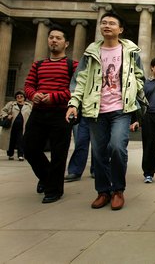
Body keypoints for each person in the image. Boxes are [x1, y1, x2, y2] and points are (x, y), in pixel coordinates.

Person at [66, 12, 145, 211]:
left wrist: (138, 96)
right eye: (104, 23)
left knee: (118, 147)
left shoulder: (131, 51)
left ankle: (118, 190)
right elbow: (81, 79)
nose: (107, 26)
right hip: (96, 109)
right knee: (99, 152)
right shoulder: (91, 52)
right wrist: (74, 103)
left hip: (121, 108)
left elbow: (139, 76)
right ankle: (103, 191)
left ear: (121, 29)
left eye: (112, 23)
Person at [24, 24, 78, 203]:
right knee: (29, 149)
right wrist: (34, 95)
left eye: (58, 38)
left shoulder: (73, 66)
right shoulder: (38, 65)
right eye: (51, 37)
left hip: (60, 113)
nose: (54, 40)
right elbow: (28, 85)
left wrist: (53, 97)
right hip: (38, 112)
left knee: (58, 153)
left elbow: (77, 89)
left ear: (67, 43)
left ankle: (54, 190)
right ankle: (48, 179)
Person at [0, 90, 32, 161]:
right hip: (11, 127)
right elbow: (3, 111)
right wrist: (7, 116)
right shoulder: (11, 104)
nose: (19, 97)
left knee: (21, 141)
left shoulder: (29, 106)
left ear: (24, 97)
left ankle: (20, 155)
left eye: (21, 96)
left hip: (23, 127)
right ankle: (10, 154)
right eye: (17, 96)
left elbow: (32, 116)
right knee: (11, 140)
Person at [64, 117, 94, 181]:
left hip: (100, 114)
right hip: (84, 113)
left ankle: (97, 170)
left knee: (97, 145)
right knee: (81, 142)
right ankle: (75, 171)